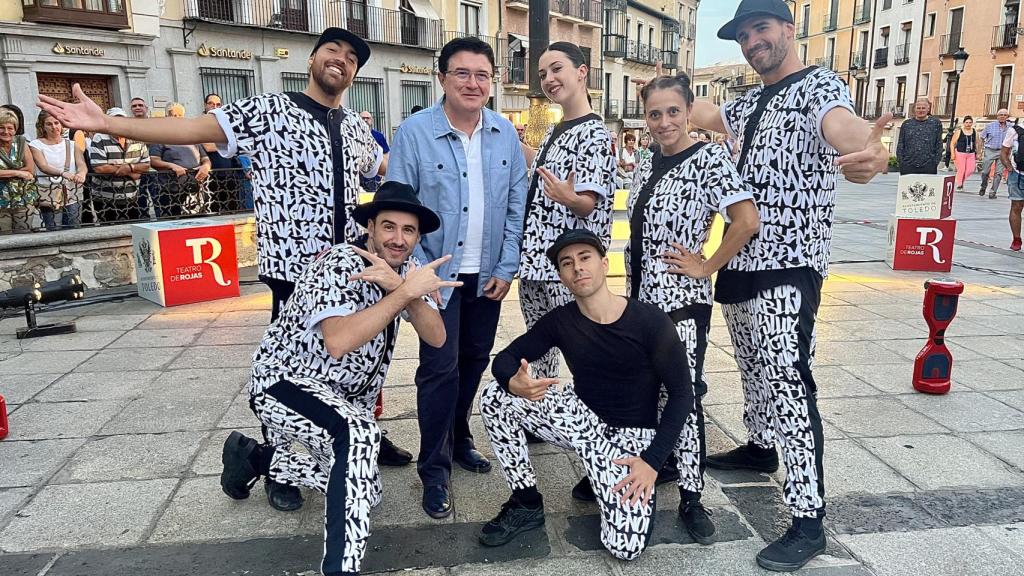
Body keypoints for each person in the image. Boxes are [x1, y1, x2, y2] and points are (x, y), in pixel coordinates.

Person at [37, 27, 402, 513]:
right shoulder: (270, 110)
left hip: (351, 269)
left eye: (353, 56)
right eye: (333, 50)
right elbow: (191, 129)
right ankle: (273, 463)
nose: (342, 59)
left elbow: (394, 165)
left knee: (351, 358)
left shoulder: (357, 128)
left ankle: (356, 436)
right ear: (313, 58)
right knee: (290, 371)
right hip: (295, 268)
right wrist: (107, 123)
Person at [681, 0, 889, 570]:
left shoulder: (819, 88)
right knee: (751, 365)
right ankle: (759, 443)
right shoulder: (744, 103)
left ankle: (807, 518)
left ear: (788, 30)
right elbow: (706, 111)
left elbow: (844, 128)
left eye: (761, 30)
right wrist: (672, 101)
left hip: (791, 264)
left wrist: (868, 148)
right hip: (741, 260)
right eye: (743, 36)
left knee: (788, 381)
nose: (752, 43)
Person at [220, 182, 458, 576]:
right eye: (389, 227)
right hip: (285, 383)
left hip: (341, 400)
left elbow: (437, 336)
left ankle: (259, 458)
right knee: (360, 435)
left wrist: (404, 290)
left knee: (367, 491)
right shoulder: (339, 263)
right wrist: (399, 296)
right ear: (371, 228)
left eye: (409, 230)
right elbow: (338, 341)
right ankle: (341, 569)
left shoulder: (410, 272)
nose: (398, 239)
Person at [476, 228, 695, 560]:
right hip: (580, 417)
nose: (577, 268)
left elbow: (682, 394)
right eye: (567, 263)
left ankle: (603, 476)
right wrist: (512, 381)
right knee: (495, 397)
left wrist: (652, 461)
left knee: (624, 548)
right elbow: (505, 359)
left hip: (628, 438)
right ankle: (525, 501)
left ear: (605, 264)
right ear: (562, 277)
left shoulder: (649, 320)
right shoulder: (561, 321)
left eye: (585, 258)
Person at [386, 36, 527, 519]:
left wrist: (507, 267)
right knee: (439, 370)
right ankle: (434, 468)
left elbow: (515, 207)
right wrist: (417, 279)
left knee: (472, 361)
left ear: (492, 81)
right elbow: (399, 210)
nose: (472, 83)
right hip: (434, 281)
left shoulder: (504, 134)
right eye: (462, 73)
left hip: (487, 278)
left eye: (482, 75)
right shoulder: (415, 132)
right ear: (442, 77)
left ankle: (461, 435)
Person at [618, 72, 760, 543]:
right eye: (654, 114)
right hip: (641, 300)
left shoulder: (709, 160)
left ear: (688, 111)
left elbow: (746, 221)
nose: (663, 122)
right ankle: (653, 465)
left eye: (672, 112)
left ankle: (693, 498)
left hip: (681, 302)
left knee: (682, 394)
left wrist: (708, 266)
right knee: (646, 389)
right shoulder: (646, 162)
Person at [519, 41, 615, 382]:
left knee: (580, 341)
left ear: (581, 72)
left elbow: (589, 202)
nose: (548, 78)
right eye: (543, 73)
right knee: (540, 341)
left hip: (566, 262)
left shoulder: (594, 132)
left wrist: (568, 197)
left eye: (556, 69)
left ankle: (600, 408)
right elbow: (541, 170)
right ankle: (542, 408)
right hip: (535, 262)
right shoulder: (555, 129)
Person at [87, 107, 150, 222]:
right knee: (109, 232)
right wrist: (131, 171)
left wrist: (129, 167)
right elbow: (99, 167)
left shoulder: (137, 138)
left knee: (132, 230)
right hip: (105, 198)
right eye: (114, 120)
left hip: (132, 197)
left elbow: (146, 165)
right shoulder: (100, 138)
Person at [148, 103, 212, 216]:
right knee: (173, 224)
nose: (177, 118)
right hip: (170, 190)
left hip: (194, 188)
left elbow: (205, 159)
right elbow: (153, 160)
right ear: (167, 117)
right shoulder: (159, 136)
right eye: (174, 115)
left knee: (197, 222)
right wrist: (172, 166)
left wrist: (206, 166)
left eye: (180, 115)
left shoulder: (192, 136)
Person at [29, 111, 86, 230]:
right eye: (49, 124)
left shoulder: (72, 144)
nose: (54, 127)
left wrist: (82, 173)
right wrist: (62, 173)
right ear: (43, 126)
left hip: (71, 192)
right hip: (50, 193)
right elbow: (43, 166)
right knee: (54, 228)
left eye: (56, 123)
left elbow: (81, 164)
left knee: (74, 228)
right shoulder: (36, 145)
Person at [0, 109, 37, 232]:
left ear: (15, 129)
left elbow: (30, 169)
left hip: (23, 198)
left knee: (24, 234)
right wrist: (18, 172)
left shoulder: (21, 143)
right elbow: (25, 172)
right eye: (1, 127)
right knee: (5, 238)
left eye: (10, 128)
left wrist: (4, 173)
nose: (6, 131)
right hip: (1, 201)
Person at [895, 98, 943, 175]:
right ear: (914, 109)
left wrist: (935, 162)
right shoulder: (906, 124)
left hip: (928, 165)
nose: (921, 110)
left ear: (928, 109)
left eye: (923, 108)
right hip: (908, 165)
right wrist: (901, 162)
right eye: (918, 108)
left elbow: (939, 143)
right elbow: (901, 144)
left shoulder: (935, 124)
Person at [1000, 120, 1024, 251]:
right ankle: (1016, 238)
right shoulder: (1014, 130)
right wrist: (1008, 166)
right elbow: (1003, 152)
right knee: (1017, 206)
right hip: (1017, 173)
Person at [980, 108, 1011, 198]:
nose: (1002, 116)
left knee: (998, 173)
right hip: (990, 150)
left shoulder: (1011, 127)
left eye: (1005, 115)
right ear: (997, 116)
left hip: (1003, 152)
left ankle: (993, 192)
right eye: (1001, 114)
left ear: (1007, 117)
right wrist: (980, 150)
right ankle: (983, 185)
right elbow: (981, 137)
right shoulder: (990, 125)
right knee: (985, 171)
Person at [358, 111, 389, 193]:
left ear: (372, 120)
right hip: (359, 177)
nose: (365, 120)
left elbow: (386, 155)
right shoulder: (354, 136)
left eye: (367, 118)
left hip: (375, 177)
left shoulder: (379, 136)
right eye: (362, 118)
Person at [950, 116, 977, 191]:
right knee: (961, 169)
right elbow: (952, 143)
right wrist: (952, 153)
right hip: (960, 152)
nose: (968, 124)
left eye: (970, 122)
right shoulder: (959, 132)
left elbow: (977, 143)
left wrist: (979, 153)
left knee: (970, 170)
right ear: (964, 123)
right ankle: (959, 185)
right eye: (966, 122)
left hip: (971, 153)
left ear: (972, 123)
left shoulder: (974, 131)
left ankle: (959, 180)